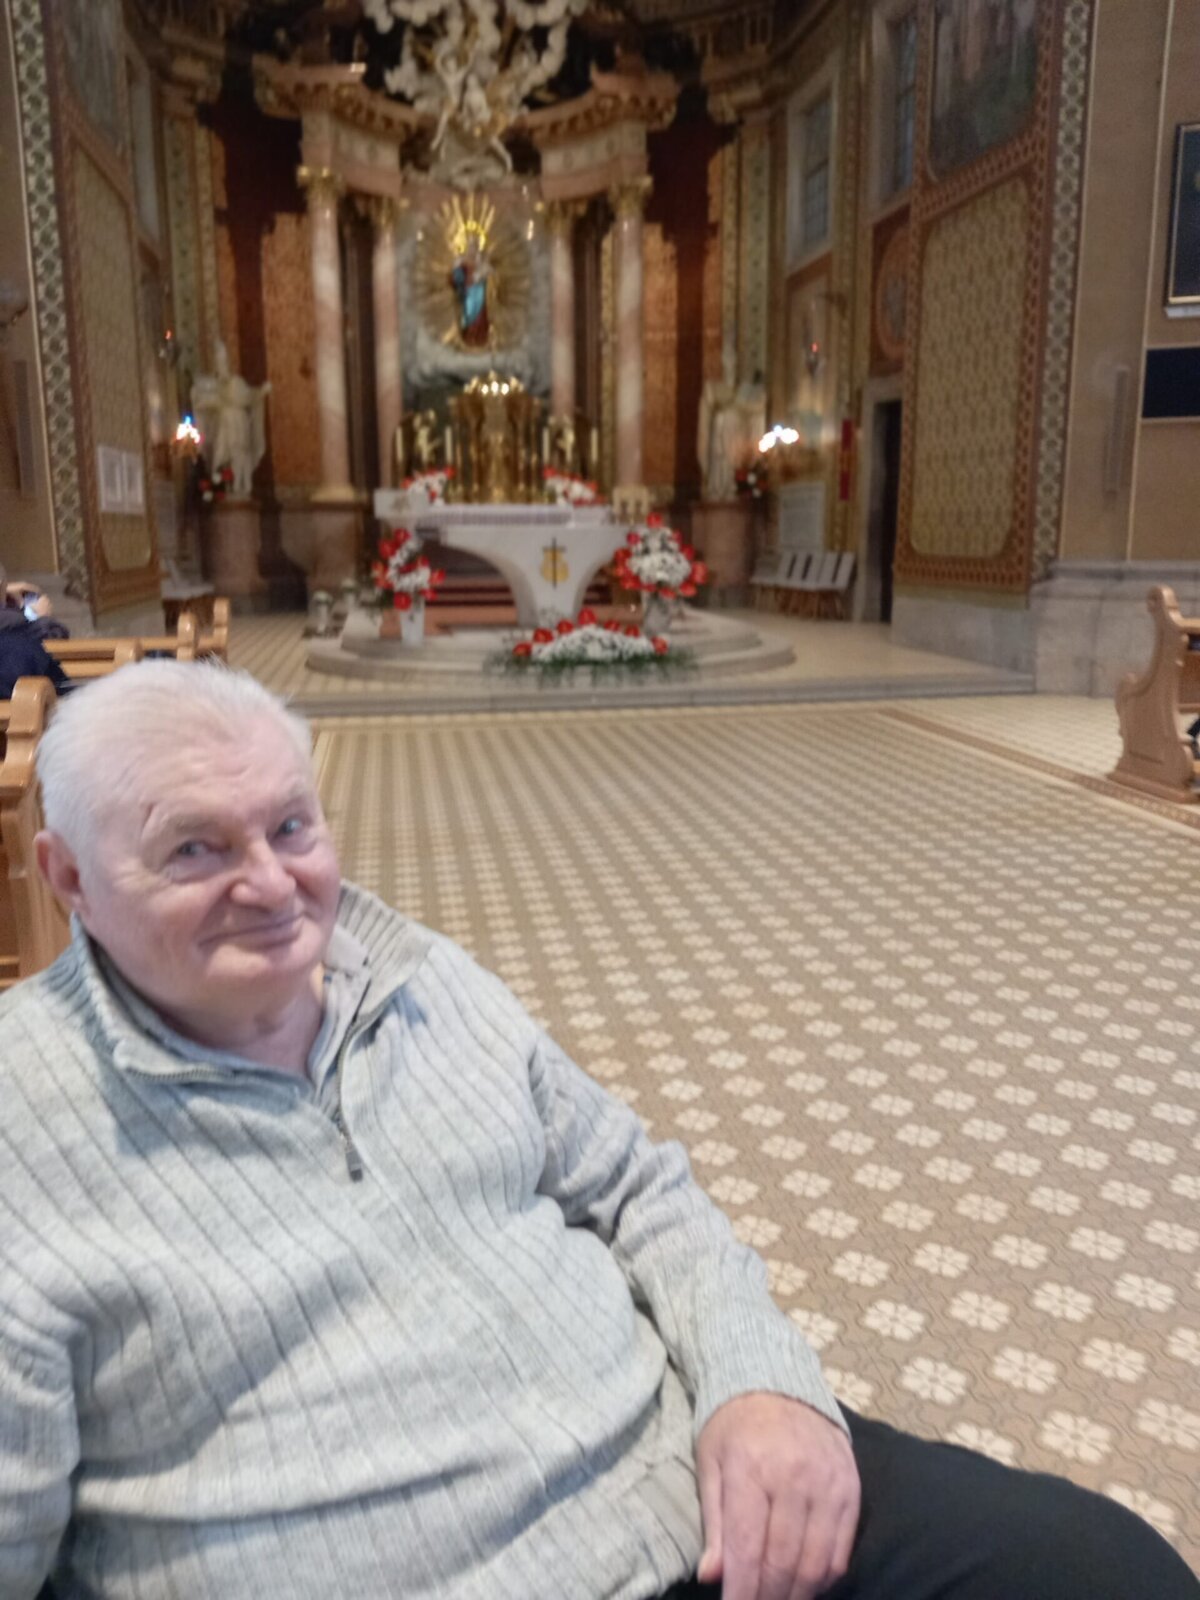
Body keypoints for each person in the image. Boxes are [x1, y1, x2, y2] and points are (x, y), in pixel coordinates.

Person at [0, 662, 1196, 1600]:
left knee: (1105, 1572)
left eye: (292, 827)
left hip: (693, 1485)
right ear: (68, 876)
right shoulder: (22, 1130)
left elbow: (638, 1187)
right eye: (195, 847)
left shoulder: (416, 973)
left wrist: (761, 1382)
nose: (271, 884)